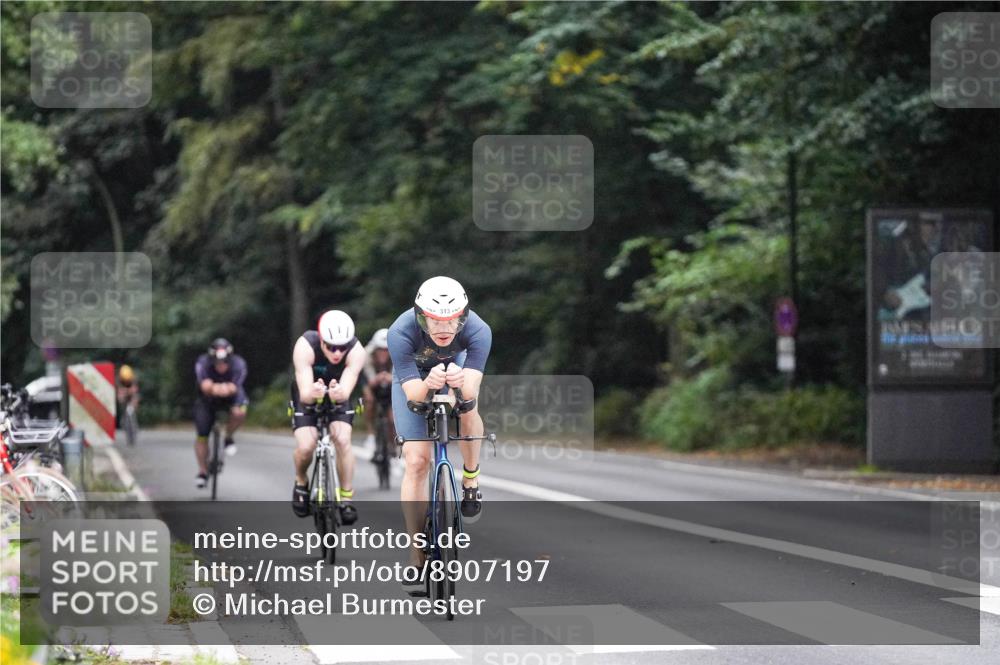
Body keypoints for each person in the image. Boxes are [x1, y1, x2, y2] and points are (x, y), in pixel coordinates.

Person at [387, 276, 491, 592]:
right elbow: (414, 397)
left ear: (463, 316)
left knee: (469, 409)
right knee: (417, 462)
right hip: (415, 380)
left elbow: (469, 393)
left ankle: (470, 480)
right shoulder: (400, 333)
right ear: (422, 316)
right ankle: (416, 555)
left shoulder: (478, 331)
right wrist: (430, 384)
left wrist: (458, 384)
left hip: (456, 369)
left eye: (452, 320)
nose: (444, 328)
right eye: (435, 320)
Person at [290, 310, 366, 524]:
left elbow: (347, 385)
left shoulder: (356, 350)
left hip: (337, 394)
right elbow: (304, 393)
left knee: (342, 440)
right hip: (308, 393)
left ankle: (346, 498)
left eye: (342, 347)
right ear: (321, 340)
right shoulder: (305, 345)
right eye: (331, 347)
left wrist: (338, 393)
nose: (337, 353)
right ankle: (301, 481)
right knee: (306, 446)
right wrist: (313, 392)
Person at [193, 338, 248, 488]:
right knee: (202, 433)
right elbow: (205, 386)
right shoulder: (202, 363)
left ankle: (228, 437)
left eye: (224, 363)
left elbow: (234, 387)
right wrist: (218, 388)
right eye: (217, 363)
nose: (221, 366)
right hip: (207, 399)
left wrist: (218, 387)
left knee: (239, 412)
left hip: (231, 397)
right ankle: (203, 471)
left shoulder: (239, 364)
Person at [362, 328, 396, 459]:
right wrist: (374, 380)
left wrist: (390, 377)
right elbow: (367, 378)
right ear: (375, 350)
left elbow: (399, 377)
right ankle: (371, 434)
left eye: (386, 351)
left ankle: (393, 446)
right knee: (369, 400)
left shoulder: (397, 354)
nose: (383, 354)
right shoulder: (367, 354)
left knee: (392, 417)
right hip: (372, 382)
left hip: (391, 384)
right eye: (380, 350)